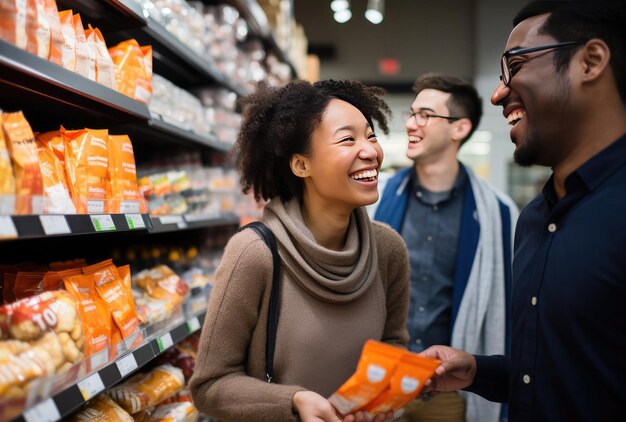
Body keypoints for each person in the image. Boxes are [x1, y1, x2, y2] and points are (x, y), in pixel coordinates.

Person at [420, 0, 626, 420]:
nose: (497, 94)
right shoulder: (534, 219)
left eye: (515, 66)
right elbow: (557, 372)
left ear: (590, 61)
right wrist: (477, 370)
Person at [189, 80, 410, 422]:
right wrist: (294, 402)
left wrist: (383, 400)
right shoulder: (255, 253)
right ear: (301, 165)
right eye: (347, 139)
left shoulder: (388, 250)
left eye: (370, 135)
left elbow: (393, 346)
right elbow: (209, 385)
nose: (370, 151)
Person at [374, 73, 518, 422]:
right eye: (411, 113)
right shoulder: (375, 201)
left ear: (459, 129)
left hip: (447, 386)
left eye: (425, 115)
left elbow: (509, 306)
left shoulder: (497, 214)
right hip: (379, 378)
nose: (410, 123)